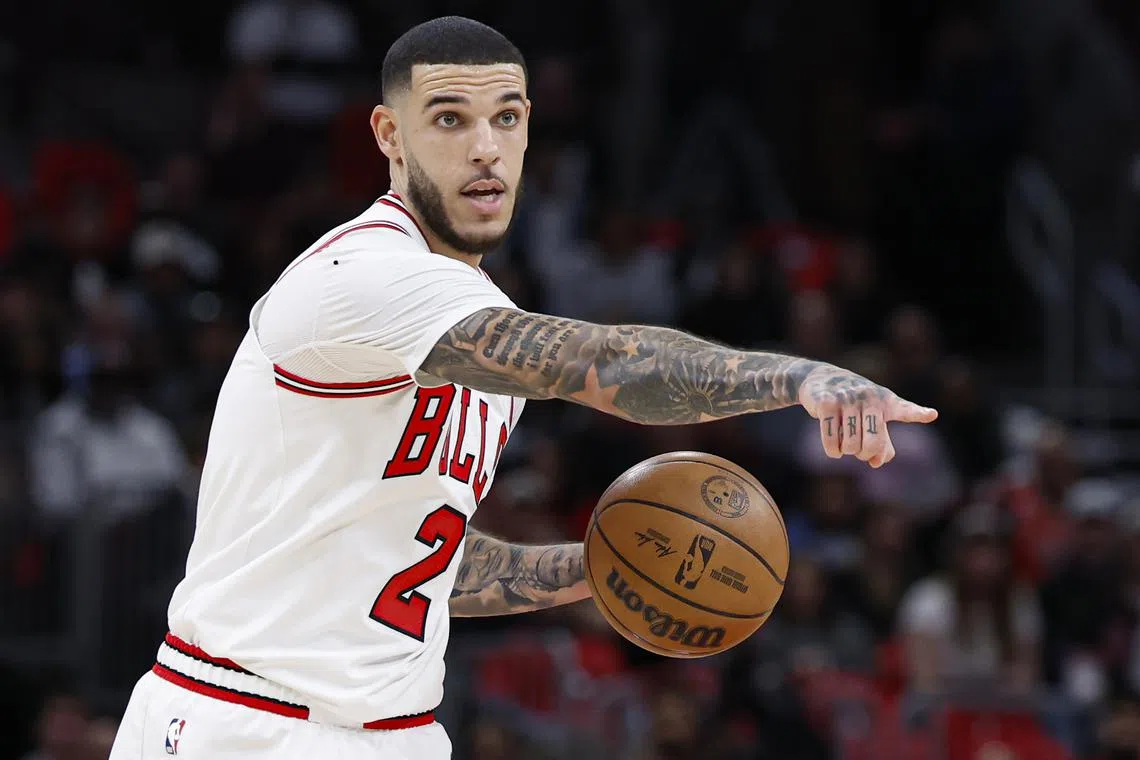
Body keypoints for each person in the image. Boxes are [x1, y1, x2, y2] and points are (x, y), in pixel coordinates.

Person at [109, 15, 938, 760]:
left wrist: (602, 567)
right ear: (388, 135)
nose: (484, 148)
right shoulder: (359, 276)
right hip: (242, 721)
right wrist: (799, 375)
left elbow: (414, 563)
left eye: (506, 118)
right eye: (449, 120)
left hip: (394, 732)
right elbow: (609, 368)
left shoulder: (482, 326)